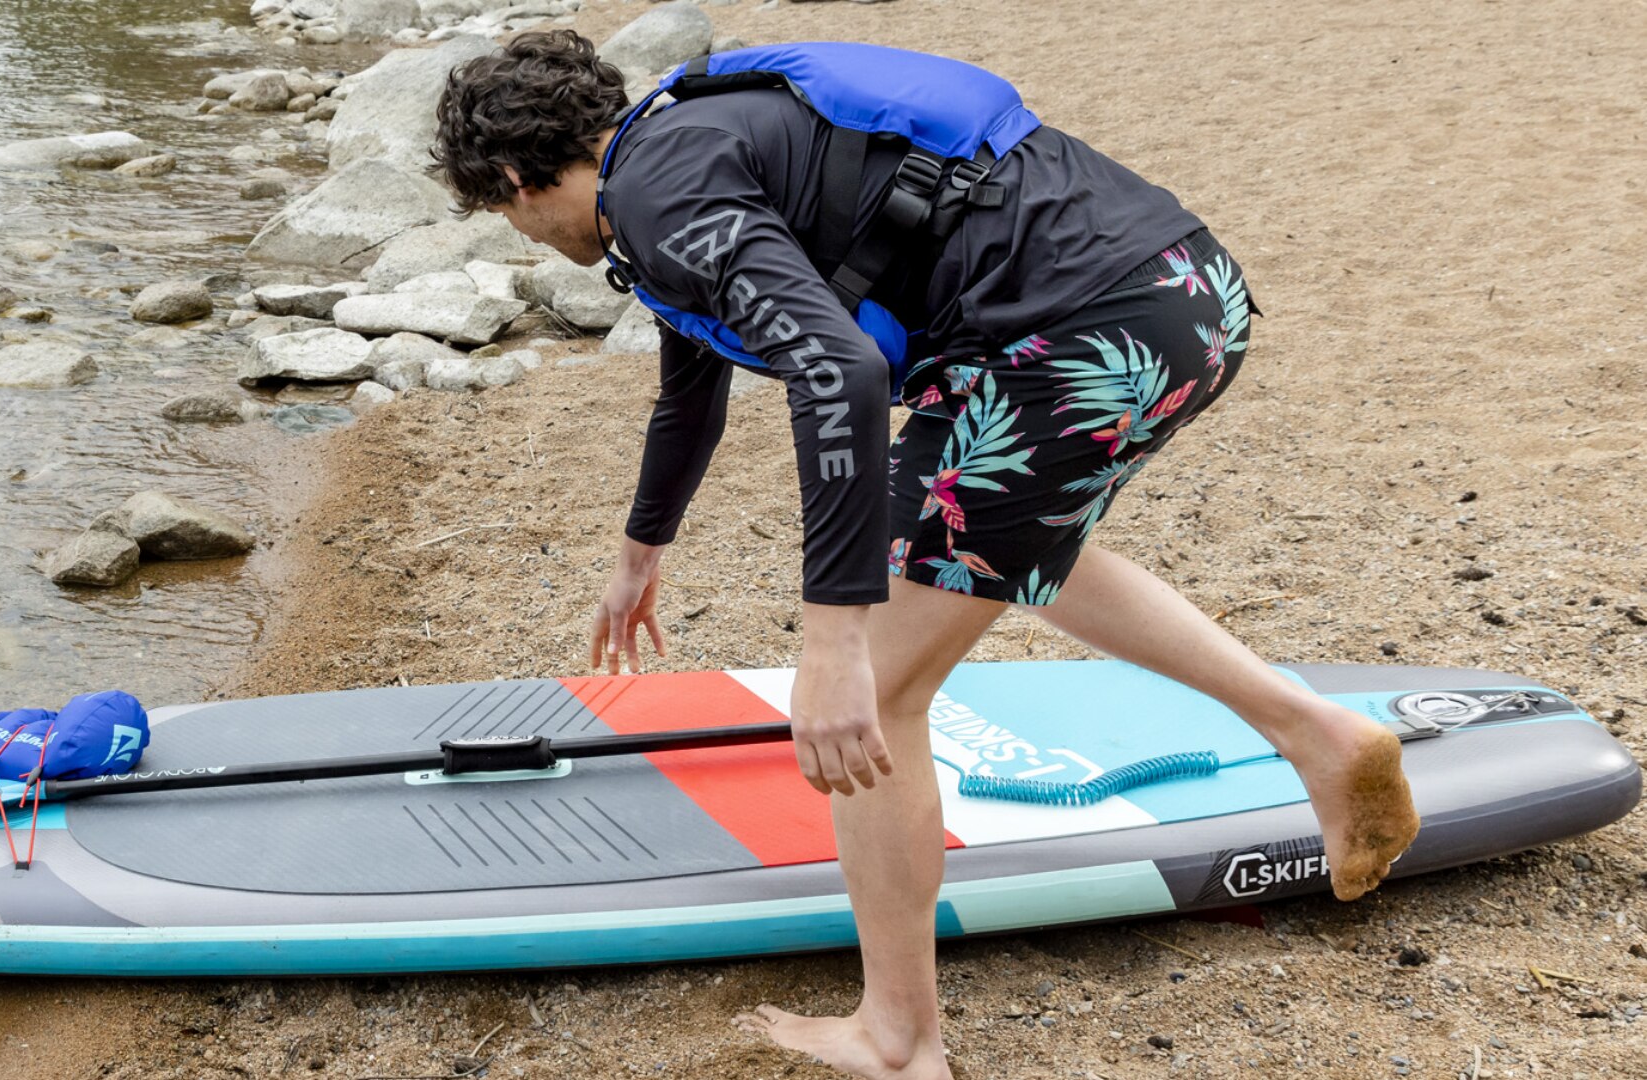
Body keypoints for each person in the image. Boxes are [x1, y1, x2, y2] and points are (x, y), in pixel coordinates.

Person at [431, 32, 1422, 1080]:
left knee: (875, 700)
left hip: (1065, 338)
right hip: (1186, 294)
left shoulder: (660, 194)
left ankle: (897, 1040)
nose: (526, 237)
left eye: (506, 215)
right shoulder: (687, 145)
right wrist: (641, 553)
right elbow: (694, 384)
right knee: (999, 546)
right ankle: (1316, 735)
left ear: (512, 177)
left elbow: (840, 370)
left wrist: (834, 639)